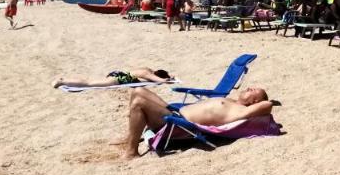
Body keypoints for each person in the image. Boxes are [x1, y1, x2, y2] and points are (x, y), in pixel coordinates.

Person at [118, 86, 273, 159]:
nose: (249, 87)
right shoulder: (231, 100)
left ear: (255, 102)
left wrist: (262, 100)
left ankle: (131, 152)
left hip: (177, 124)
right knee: (138, 91)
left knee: (139, 102)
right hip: (175, 113)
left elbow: (268, 105)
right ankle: (131, 137)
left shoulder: (241, 111)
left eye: (253, 91)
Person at [52, 66, 174, 89]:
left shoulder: (147, 69)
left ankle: (65, 80)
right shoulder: (147, 74)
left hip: (118, 74)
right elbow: (162, 80)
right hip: (118, 79)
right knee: (89, 83)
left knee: (91, 80)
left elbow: (163, 75)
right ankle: (62, 82)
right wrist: (166, 80)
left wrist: (171, 75)